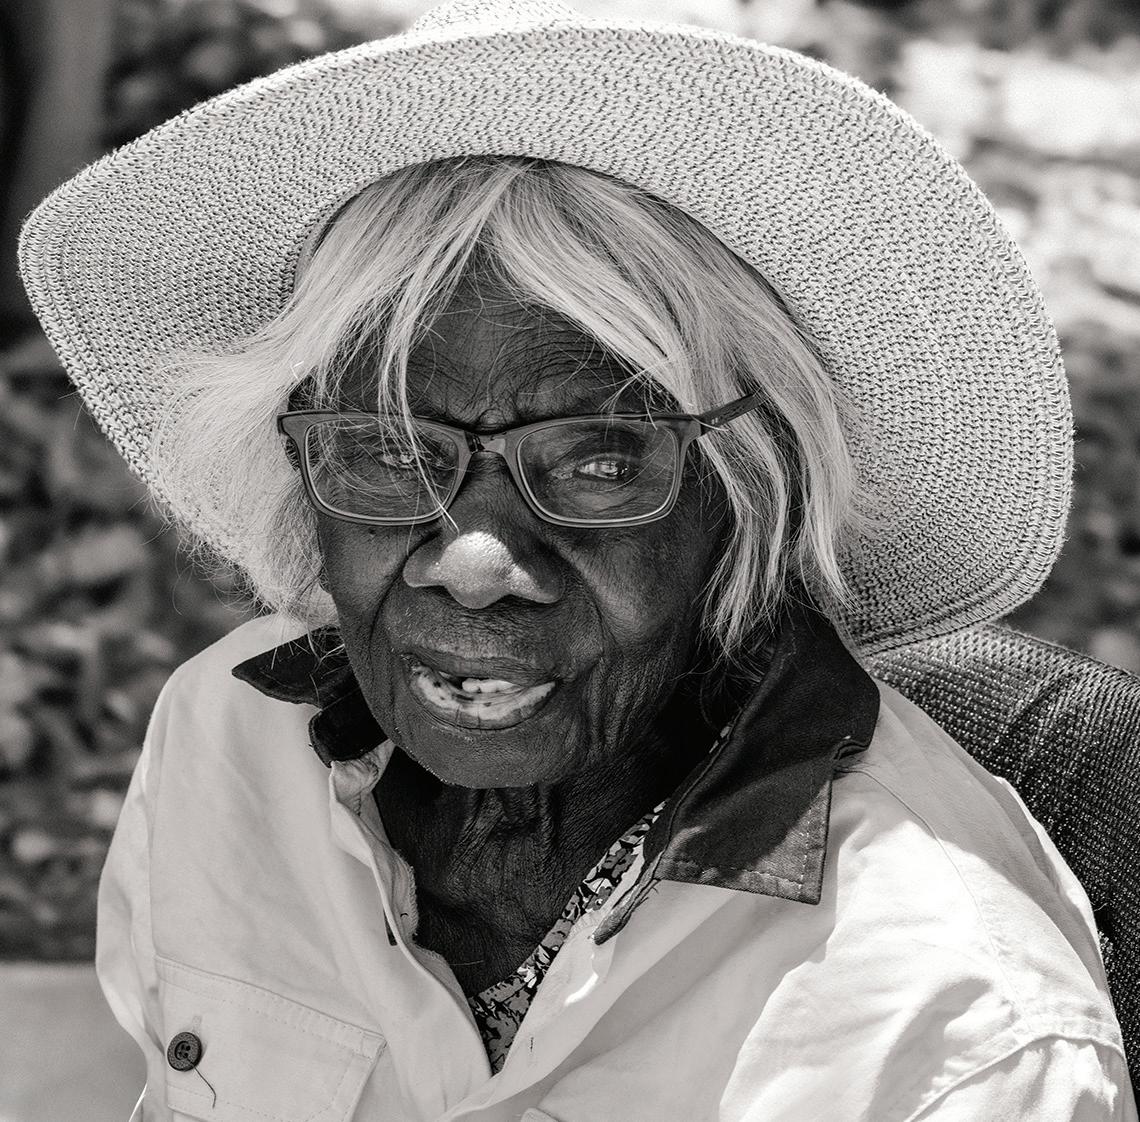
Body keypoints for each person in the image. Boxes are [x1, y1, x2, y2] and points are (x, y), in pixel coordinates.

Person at [19, 0, 1138, 1118]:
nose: (471, 564)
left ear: (757, 500)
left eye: (597, 463)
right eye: (389, 451)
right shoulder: (227, 742)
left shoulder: (949, 1025)